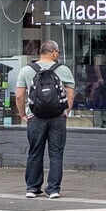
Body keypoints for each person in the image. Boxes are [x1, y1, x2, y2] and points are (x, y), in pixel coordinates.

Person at [13, 40, 75, 198]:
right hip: (57, 118)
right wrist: (65, 111)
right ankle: (53, 189)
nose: (58, 55)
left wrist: (23, 115)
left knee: (35, 152)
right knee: (56, 153)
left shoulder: (26, 70)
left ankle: (32, 188)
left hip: (35, 117)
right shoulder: (64, 70)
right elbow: (70, 94)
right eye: (58, 53)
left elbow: (19, 96)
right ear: (54, 52)